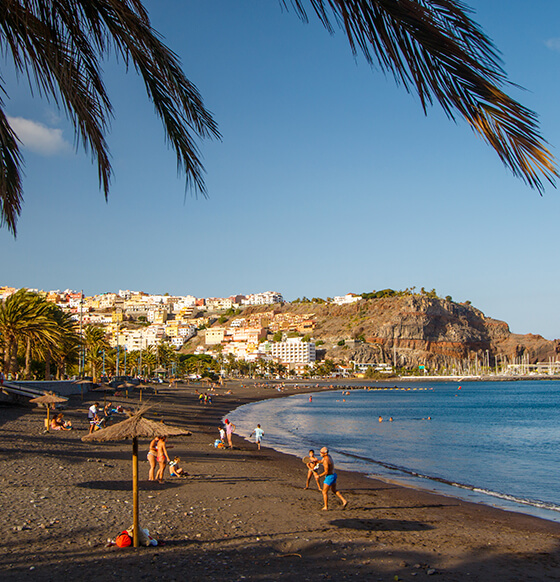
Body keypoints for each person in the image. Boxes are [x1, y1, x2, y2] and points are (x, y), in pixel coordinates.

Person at [317, 446, 347, 511]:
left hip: (329, 477)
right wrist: (316, 461)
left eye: (321, 452)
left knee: (324, 492)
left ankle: (326, 506)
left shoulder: (325, 460)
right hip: (334, 475)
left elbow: (326, 471)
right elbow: (321, 461)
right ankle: (344, 501)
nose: (320, 453)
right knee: (334, 490)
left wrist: (319, 476)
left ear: (324, 453)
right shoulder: (328, 457)